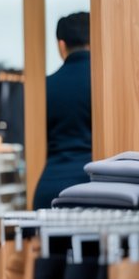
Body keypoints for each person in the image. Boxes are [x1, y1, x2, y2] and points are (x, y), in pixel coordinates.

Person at [33, 11, 92, 209]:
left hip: (51, 191)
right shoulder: (104, 84)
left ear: (61, 45)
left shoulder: (45, 86)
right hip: (95, 189)